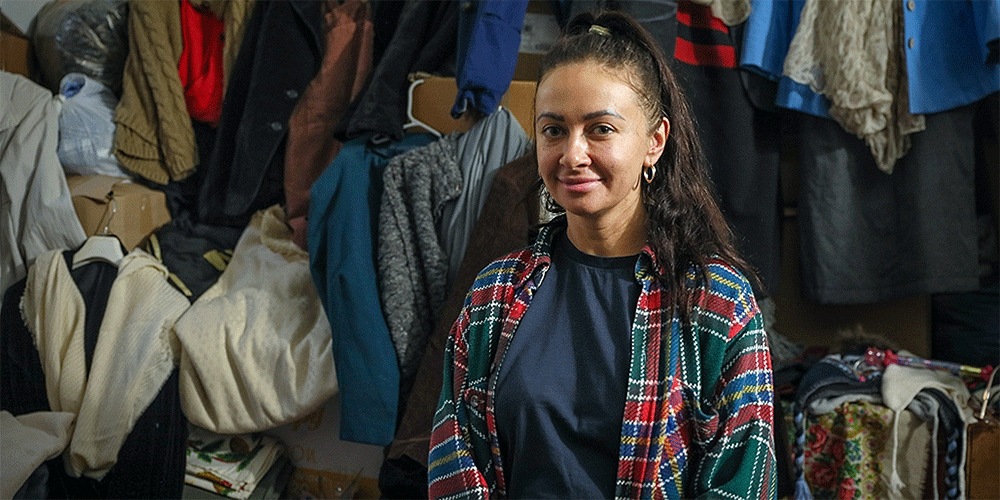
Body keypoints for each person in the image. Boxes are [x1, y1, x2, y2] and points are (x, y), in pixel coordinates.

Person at [428, 10, 776, 500]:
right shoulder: (494, 293)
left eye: (601, 129)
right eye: (553, 130)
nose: (573, 154)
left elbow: (742, 484)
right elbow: (455, 461)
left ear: (655, 142)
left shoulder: (716, 304)